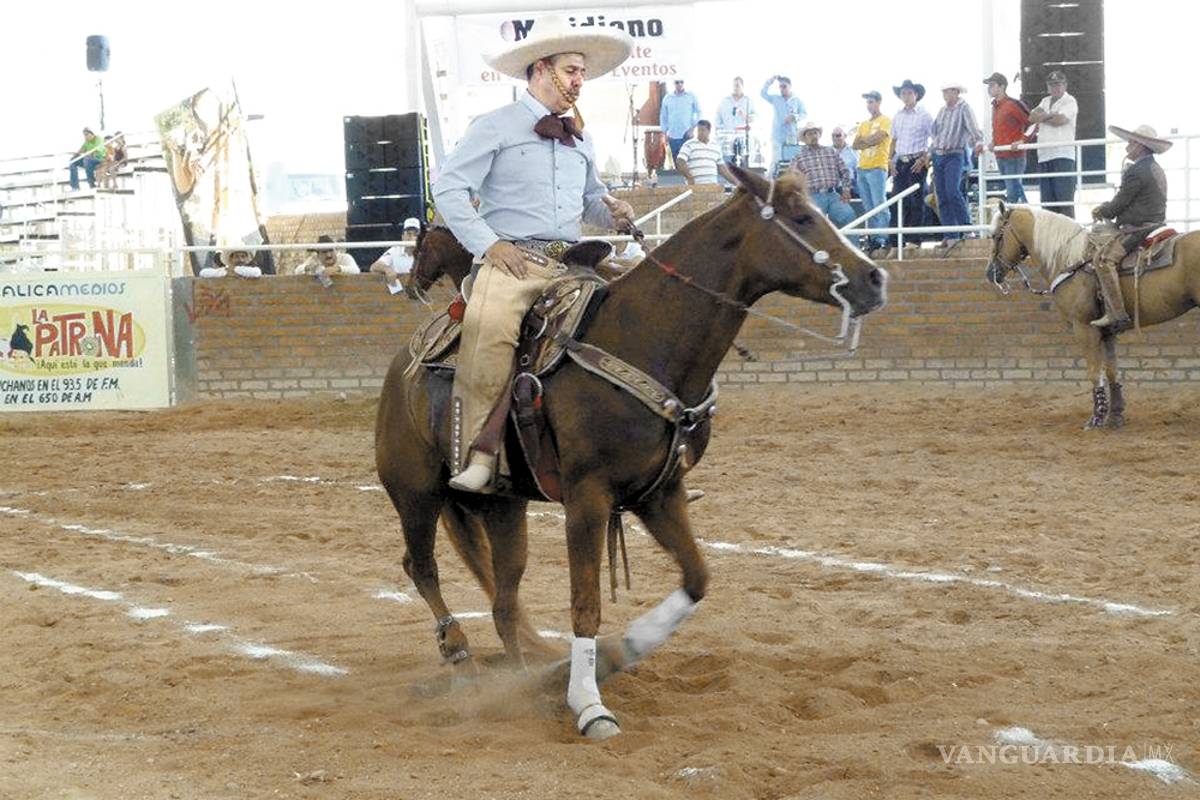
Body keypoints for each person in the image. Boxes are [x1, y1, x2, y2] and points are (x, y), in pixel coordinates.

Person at [430, 16, 635, 493]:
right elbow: (450, 189)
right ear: (540, 69)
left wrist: (616, 213)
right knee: (493, 331)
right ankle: (479, 454)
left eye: (582, 71)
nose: (579, 81)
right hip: (514, 259)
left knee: (632, 318)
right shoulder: (494, 127)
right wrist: (489, 245)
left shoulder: (579, 136)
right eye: (570, 70)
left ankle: (639, 459)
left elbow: (590, 204)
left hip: (573, 262)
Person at [1088, 124, 1171, 332]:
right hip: (1155, 223)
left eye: (1131, 143)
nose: (1127, 147)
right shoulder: (1154, 168)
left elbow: (1119, 205)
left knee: (1105, 260)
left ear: (1141, 146)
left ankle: (1117, 314)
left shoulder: (1137, 171)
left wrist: (1102, 210)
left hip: (1139, 228)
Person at [929, 81, 982, 246]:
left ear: (956, 92)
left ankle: (966, 228)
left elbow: (974, 128)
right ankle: (950, 233)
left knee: (952, 191)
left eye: (948, 91)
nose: (945, 95)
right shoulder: (942, 110)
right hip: (939, 154)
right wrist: (931, 151)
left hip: (954, 153)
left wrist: (978, 142)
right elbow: (936, 132)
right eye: (944, 92)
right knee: (942, 196)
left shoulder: (964, 108)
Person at [1028, 70, 1078, 218]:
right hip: (1044, 156)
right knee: (1047, 205)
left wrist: (1042, 117)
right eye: (1052, 85)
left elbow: (1060, 120)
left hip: (1063, 155)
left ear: (1065, 85)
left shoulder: (1070, 101)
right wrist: (1050, 116)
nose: (1055, 88)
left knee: (1064, 202)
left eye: (1058, 84)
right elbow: (1031, 117)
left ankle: (1069, 238)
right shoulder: (1045, 101)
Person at [888, 79, 933, 244]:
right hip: (900, 162)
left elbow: (935, 139)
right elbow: (893, 140)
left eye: (909, 93)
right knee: (897, 201)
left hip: (916, 162)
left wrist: (925, 158)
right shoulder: (897, 116)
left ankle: (914, 240)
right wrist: (890, 161)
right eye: (903, 93)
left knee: (916, 201)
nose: (906, 96)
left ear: (916, 95)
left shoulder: (925, 115)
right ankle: (896, 241)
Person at [788, 121, 855, 228]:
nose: (813, 136)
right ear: (805, 138)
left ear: (819, 135)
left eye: (815, 133)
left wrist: (846, 190)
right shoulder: (798, 157)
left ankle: (850, 244)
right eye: (810, 134)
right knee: (814, 226)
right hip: (812, 196)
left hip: (832, 194)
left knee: (847, 216)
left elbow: (845, 171)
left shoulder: (831, 152)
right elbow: (792, 178)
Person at [977, 72, 1030, 203]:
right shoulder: (996, 106)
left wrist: (1023, 140)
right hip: (1002, 154)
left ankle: (1022, 217)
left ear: (1002, 87)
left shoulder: (1013, 104)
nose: (989, 88)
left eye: (992, 85)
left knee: (1013, 191)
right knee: (1014, 189)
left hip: (1014, 155)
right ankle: (1023, 216)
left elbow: (1032, 123)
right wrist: (994, 142)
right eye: (989, 85)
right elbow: (1002, 129)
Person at [852, 91, 893, 254]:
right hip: (862, 167)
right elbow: (855, 145)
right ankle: (874, 238)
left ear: (879, 102)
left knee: (879, 204)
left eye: (872, 102)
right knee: (869, 207)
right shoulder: (863, 124)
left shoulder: (886, 120)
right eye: (867, 102)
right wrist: (869, 141)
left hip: (877, 166)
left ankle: (882, 238)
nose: (869, 105)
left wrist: (866, 141)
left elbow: (879, 138)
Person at [760, 75, 805, 175]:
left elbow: (804, 114)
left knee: (792, 162)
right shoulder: (775, 99)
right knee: (776, 161)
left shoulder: (797, 100)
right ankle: (773, 182)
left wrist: (794, 117)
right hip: (777, 136)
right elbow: (763, 94)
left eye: (784, 86)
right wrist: (770, 81)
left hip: (791, 136)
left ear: (790, 86)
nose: (782, 89)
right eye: (780, 86)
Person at [370, 217, 421, 293]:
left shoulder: (427, 252)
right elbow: (374, 267)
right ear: (403, 236)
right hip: (399, 297)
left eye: (415, 235)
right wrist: (388, 270)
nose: (412, 238)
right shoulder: (395, 250)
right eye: (409, 234)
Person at [714, 77, 754, 166]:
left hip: (743, 136)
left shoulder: (748, 101)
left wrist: (744, 116)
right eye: (734, 85)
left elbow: (754, 118)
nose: (735, 87)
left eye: (737, 85)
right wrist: (719, 132)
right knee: (727, 164)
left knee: (743, 164)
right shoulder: (725, 101)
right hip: (727, 137)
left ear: (742, 86)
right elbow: (718, 118)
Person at [660, 78, 701, 163]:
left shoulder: (691, 96)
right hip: (672, 136)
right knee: (676, 165)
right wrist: (664, 134)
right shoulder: (667, 98)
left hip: (687, 136)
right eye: (677, 82)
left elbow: (699, 112)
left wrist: (693, 128)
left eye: (682, 82)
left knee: (689, 164)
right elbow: (663, 116)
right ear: (673, 83)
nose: (680, 84)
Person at [676, 121, 725, 185]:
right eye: (698, 130)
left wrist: (736, 182)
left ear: (709, 131)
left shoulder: (716, 146)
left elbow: (722, 168)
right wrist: (689, 177)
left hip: (712, 186)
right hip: (695, 186)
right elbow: (680, 161)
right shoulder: (689, 144)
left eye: (703, 130)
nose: (700, 133)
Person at [294, 235, 361, 277]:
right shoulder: (314, 260)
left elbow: (356, 271)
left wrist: (338, 268)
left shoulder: (344, 257)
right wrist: (308, 267)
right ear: (318, 255)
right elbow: (297, 271)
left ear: (336, 250)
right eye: (324, 252)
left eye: (331, 250)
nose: (328, 255)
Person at [198, 248, 263, 279]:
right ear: (231, 259)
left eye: (243, 256)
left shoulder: (250, 270)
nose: (240, 259)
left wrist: (233, 270)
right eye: (237, 257)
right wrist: (226, 273)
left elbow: (257, 273)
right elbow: (203, 273)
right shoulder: (224, 270)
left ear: (246, 259)